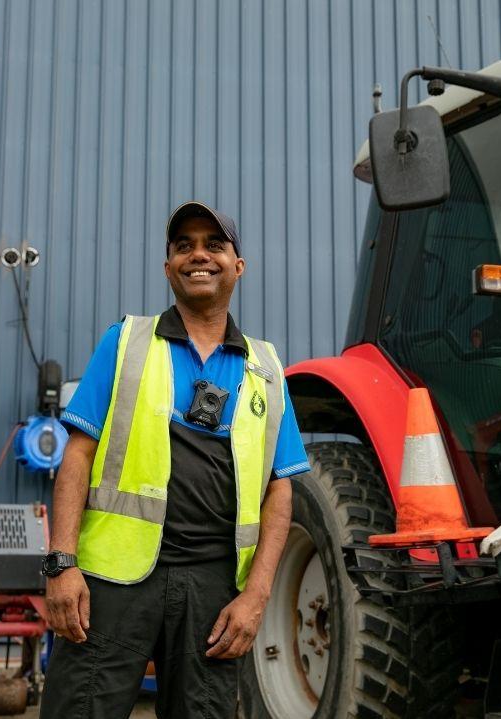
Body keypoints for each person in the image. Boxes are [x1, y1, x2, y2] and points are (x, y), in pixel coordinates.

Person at [39, 201, 309, 718]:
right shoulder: (125, 343)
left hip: (213, 590)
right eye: (183, 246)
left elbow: (281, 487)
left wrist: (256, 597)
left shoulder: (267, 368)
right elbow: (78, 454)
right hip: (113, 584)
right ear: (168, 268)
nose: (198, 255)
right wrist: (61, 564)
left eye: (214, 245)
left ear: (238, 265)